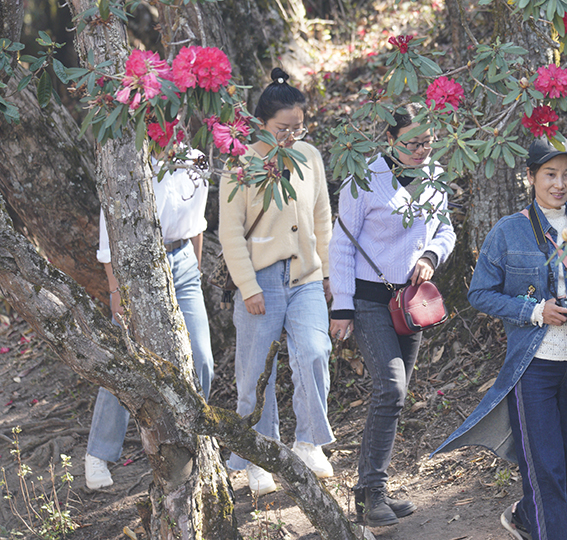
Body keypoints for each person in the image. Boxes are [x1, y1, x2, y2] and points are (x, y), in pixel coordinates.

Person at [432, 136, 567, 540]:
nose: (560, 183)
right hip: (533, 369)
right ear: (532, 176)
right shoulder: (509, 231)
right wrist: (536, 311)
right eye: (550, 174)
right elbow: (479, 293)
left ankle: (525, 516)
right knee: (546, 470)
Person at [329, 102, 456, 527]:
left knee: (393, 397)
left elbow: (445, 228)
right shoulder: (364, 179)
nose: (422, 150)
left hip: (411, 302)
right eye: (412, 143)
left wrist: (432, 256)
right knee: (391, 389)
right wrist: (342, 307)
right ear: (389, 139)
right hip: (368, 300)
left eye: (427, 142)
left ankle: (368, 492)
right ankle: (373, 493)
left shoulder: (433, 177)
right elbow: (342, 245)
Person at [219, 68, 335, 496]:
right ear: (262, 124)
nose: (290, 136)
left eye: (298, 127)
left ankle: (309, 442)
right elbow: (230, 233)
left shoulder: (311, 157)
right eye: (282, 129)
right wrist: (248, 286)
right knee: (253, 374)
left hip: (305, 276)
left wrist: (326, 273)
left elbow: (322, 217)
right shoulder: (240, 163)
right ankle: (257, 456)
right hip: (260, 280)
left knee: (314, 351)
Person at [85, 148, 214, 490]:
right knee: (127, 362)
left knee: (201, 356)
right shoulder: (126, 159)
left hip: (183, 259)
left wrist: (194, 272)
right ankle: (98, 453)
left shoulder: (196, 160)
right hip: (138, 262)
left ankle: (194, 442)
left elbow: (197, 224)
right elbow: (107, 236)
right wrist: (116, 293)